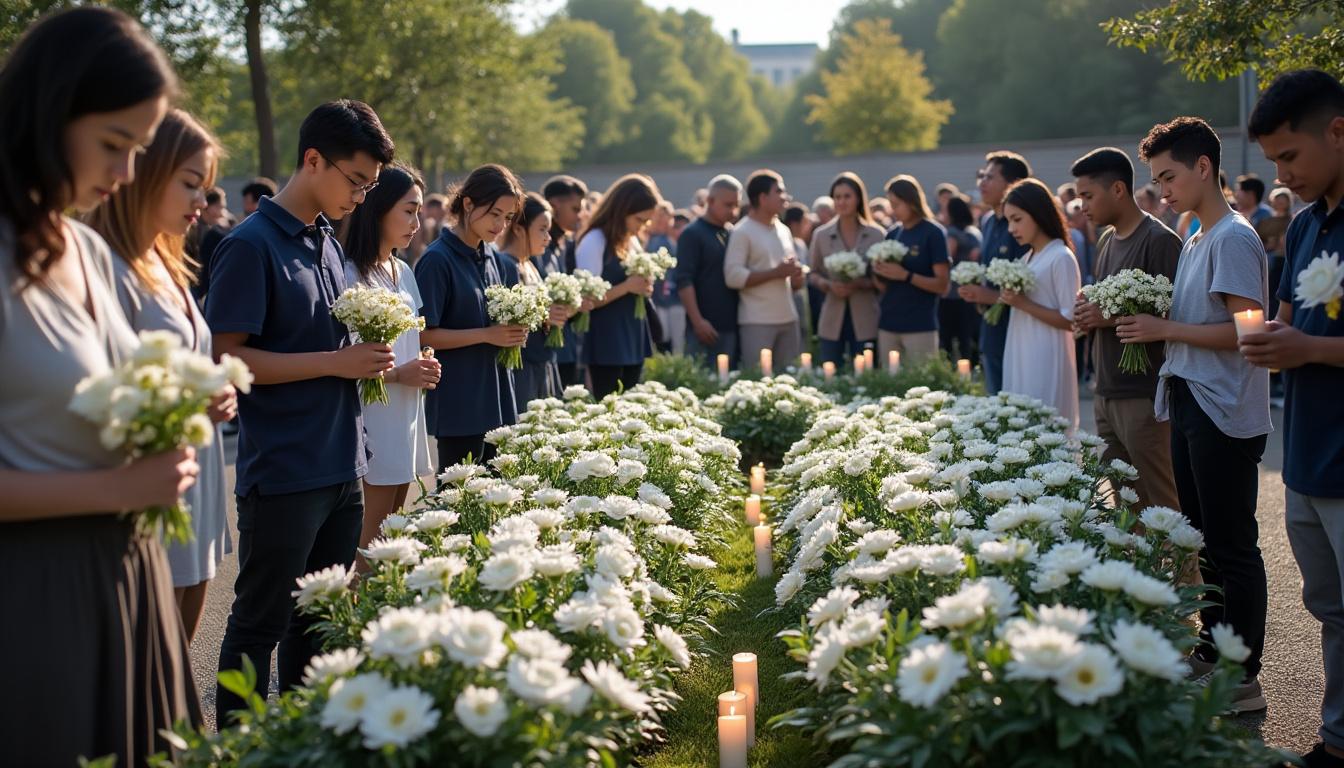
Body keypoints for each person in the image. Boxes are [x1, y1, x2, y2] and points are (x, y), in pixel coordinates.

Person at [0, 8, 199, 764]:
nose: (125, 175)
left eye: (139, 150)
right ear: (48, 114)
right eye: (114, 145)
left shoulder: (84, 246)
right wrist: (116, 487)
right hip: (35, 596)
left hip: (131, 575)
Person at [208, 99, 396, 718]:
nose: (361, 197)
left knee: (319, 624)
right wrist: (334, 363)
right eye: (356, 181)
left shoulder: (329, 242)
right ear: (313, 160)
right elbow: (227, 358)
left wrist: (363, 359)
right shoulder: (250, 245)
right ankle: (239, 748)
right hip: (285, 469)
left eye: (369, 187)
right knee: (260, 624)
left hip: (343, 463)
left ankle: (304, 742)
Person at [1120, 116, 1271, 712]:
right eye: (1157, 180)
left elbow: (1248, 332)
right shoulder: (1197, 236)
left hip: (1222, 407)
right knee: (1204, 541)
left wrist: (1164, 328)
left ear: (1204, 167)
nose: (1162, 192)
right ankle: (1212, 650)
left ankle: (1242, 676)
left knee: (1233, 546)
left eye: (1169, 177)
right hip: (1189, 396)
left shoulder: (1232, 236)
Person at [87, 109, 235, 643]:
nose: (201, 200)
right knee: (150, 648)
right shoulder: (105, 266)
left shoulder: (166, 261)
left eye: (206, 187)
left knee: (177, 650)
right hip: (148, 478)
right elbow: (98, 390)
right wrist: (188, 404)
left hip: (196, 467)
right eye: (190, 183)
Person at [1240, 69, 1344, 768]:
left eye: (1289, 156)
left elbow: (1307, 340)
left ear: (1337, 131)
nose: (1282, 175)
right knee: (1330, 612)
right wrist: (1272, 342)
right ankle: (1337, 739)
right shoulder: (1304, 225)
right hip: (1307, 450)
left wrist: (1307, 348)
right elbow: (1285, 322)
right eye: (1273, 161)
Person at [1071, 147, 1182, 512]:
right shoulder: (1106, 239)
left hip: (1143, 395)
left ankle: (1184, 557)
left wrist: (1105, 316)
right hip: (1105, 390)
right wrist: (1086, 311)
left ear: (1118, 189)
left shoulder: (1159, 241)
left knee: (1162, 504)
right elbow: (1104, 304)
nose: (1082, 207)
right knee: (1125, 506)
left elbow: (1176, 320)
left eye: (1088, 196)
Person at [336, 164, 438, 556]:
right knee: (373, 534)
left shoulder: (403, 269)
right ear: (378, 209)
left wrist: (425, 359)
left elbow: (413, 336)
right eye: (408, 211)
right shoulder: (350, 273)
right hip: (374, 410)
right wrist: (399, 374)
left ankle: (378, 591)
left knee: (395, 525)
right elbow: (349, 356)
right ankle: (357, 593)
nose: (417, 223)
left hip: (408, 409)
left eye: (419, 212)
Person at [417, 164, 524, 469]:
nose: (500, 225)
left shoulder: (493, 257)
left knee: (498, 492)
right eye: (494, 214)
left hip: (498, 399)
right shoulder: (436, 260)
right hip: (460, 404)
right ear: (467, 204)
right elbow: (423, 335)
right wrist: (487, 335)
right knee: (458, 492)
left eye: (507, 217)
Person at [999, 179, 1081, 428]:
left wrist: (1022, 303)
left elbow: (1071, 319)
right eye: (1008, 221)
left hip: (1047, 353)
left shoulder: (1061, 257)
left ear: (1037, 213)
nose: (1011, 228)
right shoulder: (1027, 258)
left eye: (1017, 219)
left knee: (1044, 425)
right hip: (1021, 347)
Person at [576, 174, 661, 398]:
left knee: (632, 405)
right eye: (639, 219)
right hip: (607, 340)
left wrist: (644, 286)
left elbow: (635, 284)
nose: (642, 227)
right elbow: (586, 299)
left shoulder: (630, 240)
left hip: (633, 335)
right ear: (622, 210)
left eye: (646, 221)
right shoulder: (595, 240)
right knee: (608, 405)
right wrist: (627, 287)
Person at [959, 151, 1033, 393]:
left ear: (1013, 184)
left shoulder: (1026, 224)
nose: (982, 182)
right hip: (991, 329)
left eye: (990, 177)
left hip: (1019, 332)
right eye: (981, 175)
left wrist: (990, 296)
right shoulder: (989, 221)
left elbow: (1034, 284)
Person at [724, 169, 804, 370]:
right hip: (757, 322)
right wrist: (775, 273)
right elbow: (732, 276)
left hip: (788, 318)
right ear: (762, 198)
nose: (785, 197)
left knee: (792, 379)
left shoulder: (783, 230)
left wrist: (796, 277)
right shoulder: (742, 232)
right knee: (758, 380)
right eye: (779, 192)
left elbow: (788, 275)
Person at [872, 175, 950, 365]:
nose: (893, 210)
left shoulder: (933, 233)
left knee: (921, 380)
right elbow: (883, 287)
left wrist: (906, 275)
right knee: (889, 379)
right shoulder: (893, 233)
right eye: (891, 205)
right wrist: (879, 272)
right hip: (889, 323)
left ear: (911, 201)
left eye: (897, 204)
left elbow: (942, 285)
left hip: (920, 325)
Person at [808, 172, 884, 366]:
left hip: (867, 317)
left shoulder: (876, 235)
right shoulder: (821, 235)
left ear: (858, 198)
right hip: (832, 317)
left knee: (867, 373)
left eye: (847, 196)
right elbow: (813, 273)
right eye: (837, 197)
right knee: (831, 373)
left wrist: (861, 283)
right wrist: (828, 285)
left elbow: (884, 280)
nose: (842, 202)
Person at [500, 191, 568, 403]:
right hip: (523, 367)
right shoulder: (507, 265)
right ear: (519, 229)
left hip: (541, 361)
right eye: (542, 229)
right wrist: (545, 315)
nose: (548, 237)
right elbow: (507, 317)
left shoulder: (528, 264)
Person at [677, 174, 741, 368]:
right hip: (704, 329)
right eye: (728, 205)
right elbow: (684, 280)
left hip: (731, 325)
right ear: (710, 201)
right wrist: (698, 321)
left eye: (736, 205)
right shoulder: (692, 234)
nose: (733, 211)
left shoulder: (732, 232)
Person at [543, 175, 589, 386]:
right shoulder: (540, 247)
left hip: (566, 342)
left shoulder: (566, 243)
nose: (579, 216)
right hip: (546, 347)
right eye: (575, 209)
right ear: (554, 205)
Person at [940, 195, 982, 363]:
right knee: (967, 335)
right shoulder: (974, 232)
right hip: (971, 291)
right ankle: (970, 367)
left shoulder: (952, 233)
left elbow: (947, 259)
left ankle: (951, 368)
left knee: (948, 338)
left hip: (951, 294)